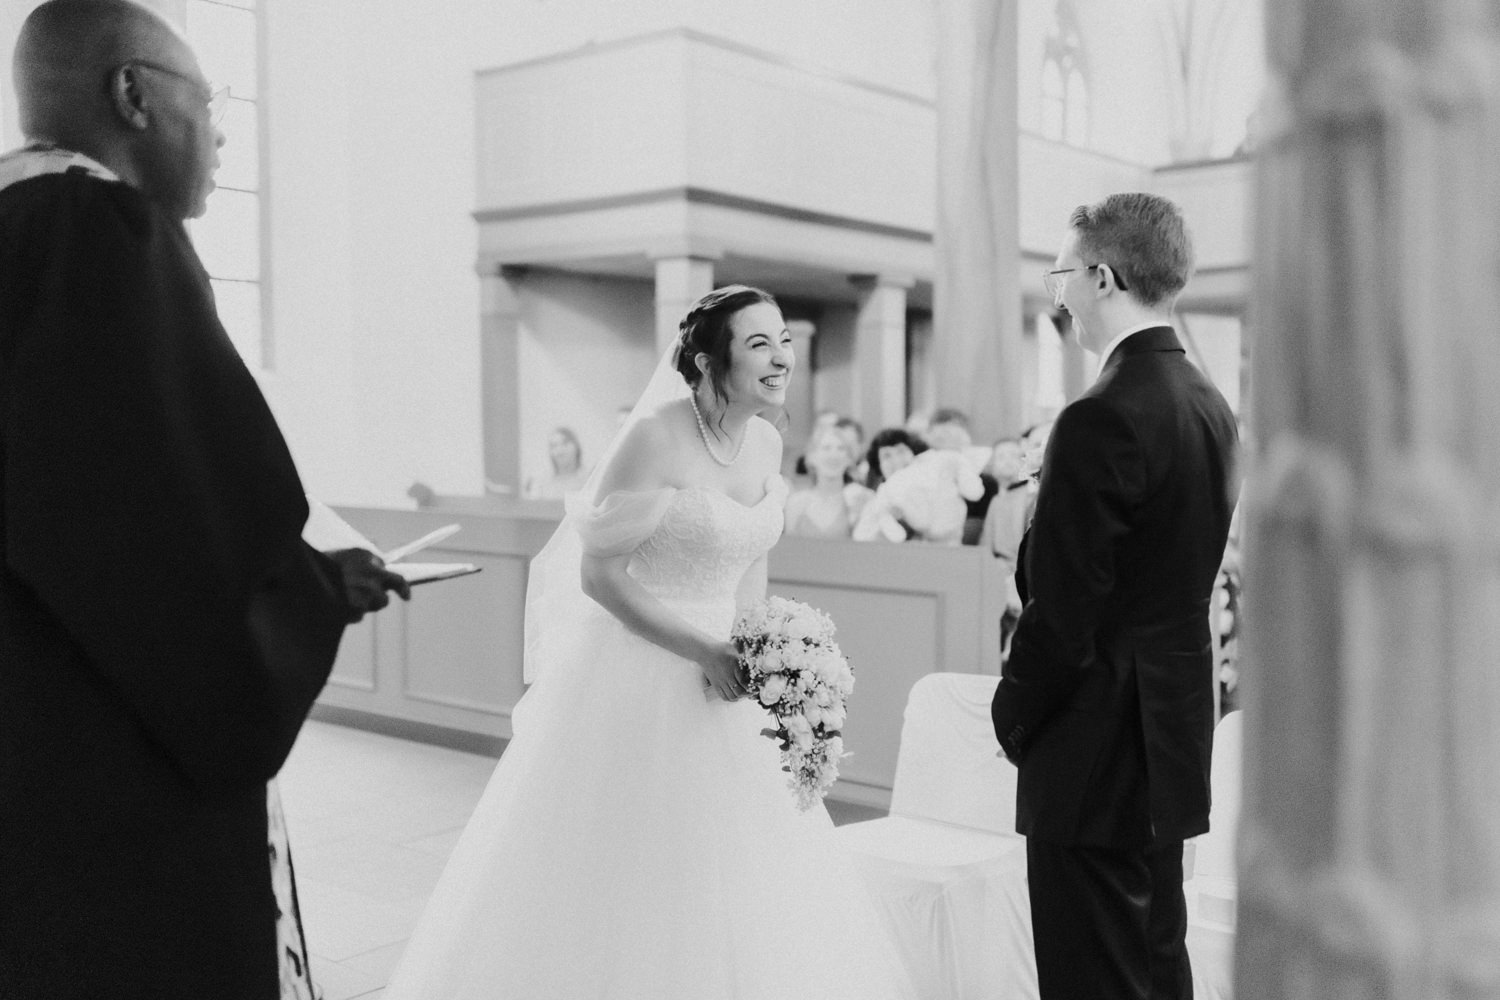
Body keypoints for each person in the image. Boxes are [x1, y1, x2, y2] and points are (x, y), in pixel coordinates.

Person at [0, 4, 409, 998]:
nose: (221, 132)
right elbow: (173, 557)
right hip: (101, 782)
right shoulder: (97, 232)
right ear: (134, 94)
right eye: (208, 100)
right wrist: (315, 587)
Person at [383, 286, 913, 999]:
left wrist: (756, 650)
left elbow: (751, 558)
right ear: (706, 359)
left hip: (729, 675)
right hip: (640, 666)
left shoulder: (765, 439)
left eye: (783, 340)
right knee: (631, 860)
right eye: (758, 344)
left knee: (745, 864)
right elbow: (598, 574)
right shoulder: (656, 435)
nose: (781, 357)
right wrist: (701, 649)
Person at [990, 193, 1239, 1000]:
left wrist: (1015, 712)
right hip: (1166, 727)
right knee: (1155, 956)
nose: (1054, 296)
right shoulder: (1208, 402)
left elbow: (1062, 612)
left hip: (1094, 740)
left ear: (1101, 277)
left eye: (1060, 275)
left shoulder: (1101, 415)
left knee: (1090, 970)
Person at [784, 424, 873, 538]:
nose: (833, 455)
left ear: (849, 459)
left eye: (841, 448)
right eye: (826, 448)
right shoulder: (796, 502)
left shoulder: (863, 498)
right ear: (812, 457)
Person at [523, 425, 589, 498]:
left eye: (565, 444)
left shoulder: (589, 480)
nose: (559, 450)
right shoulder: (540, 482)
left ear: (576, 446)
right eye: (554, 446)